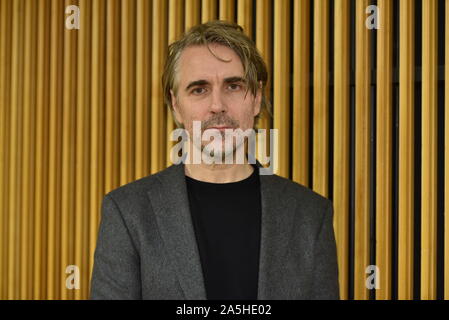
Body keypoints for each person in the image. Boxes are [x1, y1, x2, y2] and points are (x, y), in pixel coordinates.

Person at [90, 20, 339, 300]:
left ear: (256, 98)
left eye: (233, 86)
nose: (217, 105)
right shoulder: (127, 212)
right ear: (176, 105)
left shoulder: (310, 215)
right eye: (199, 89)